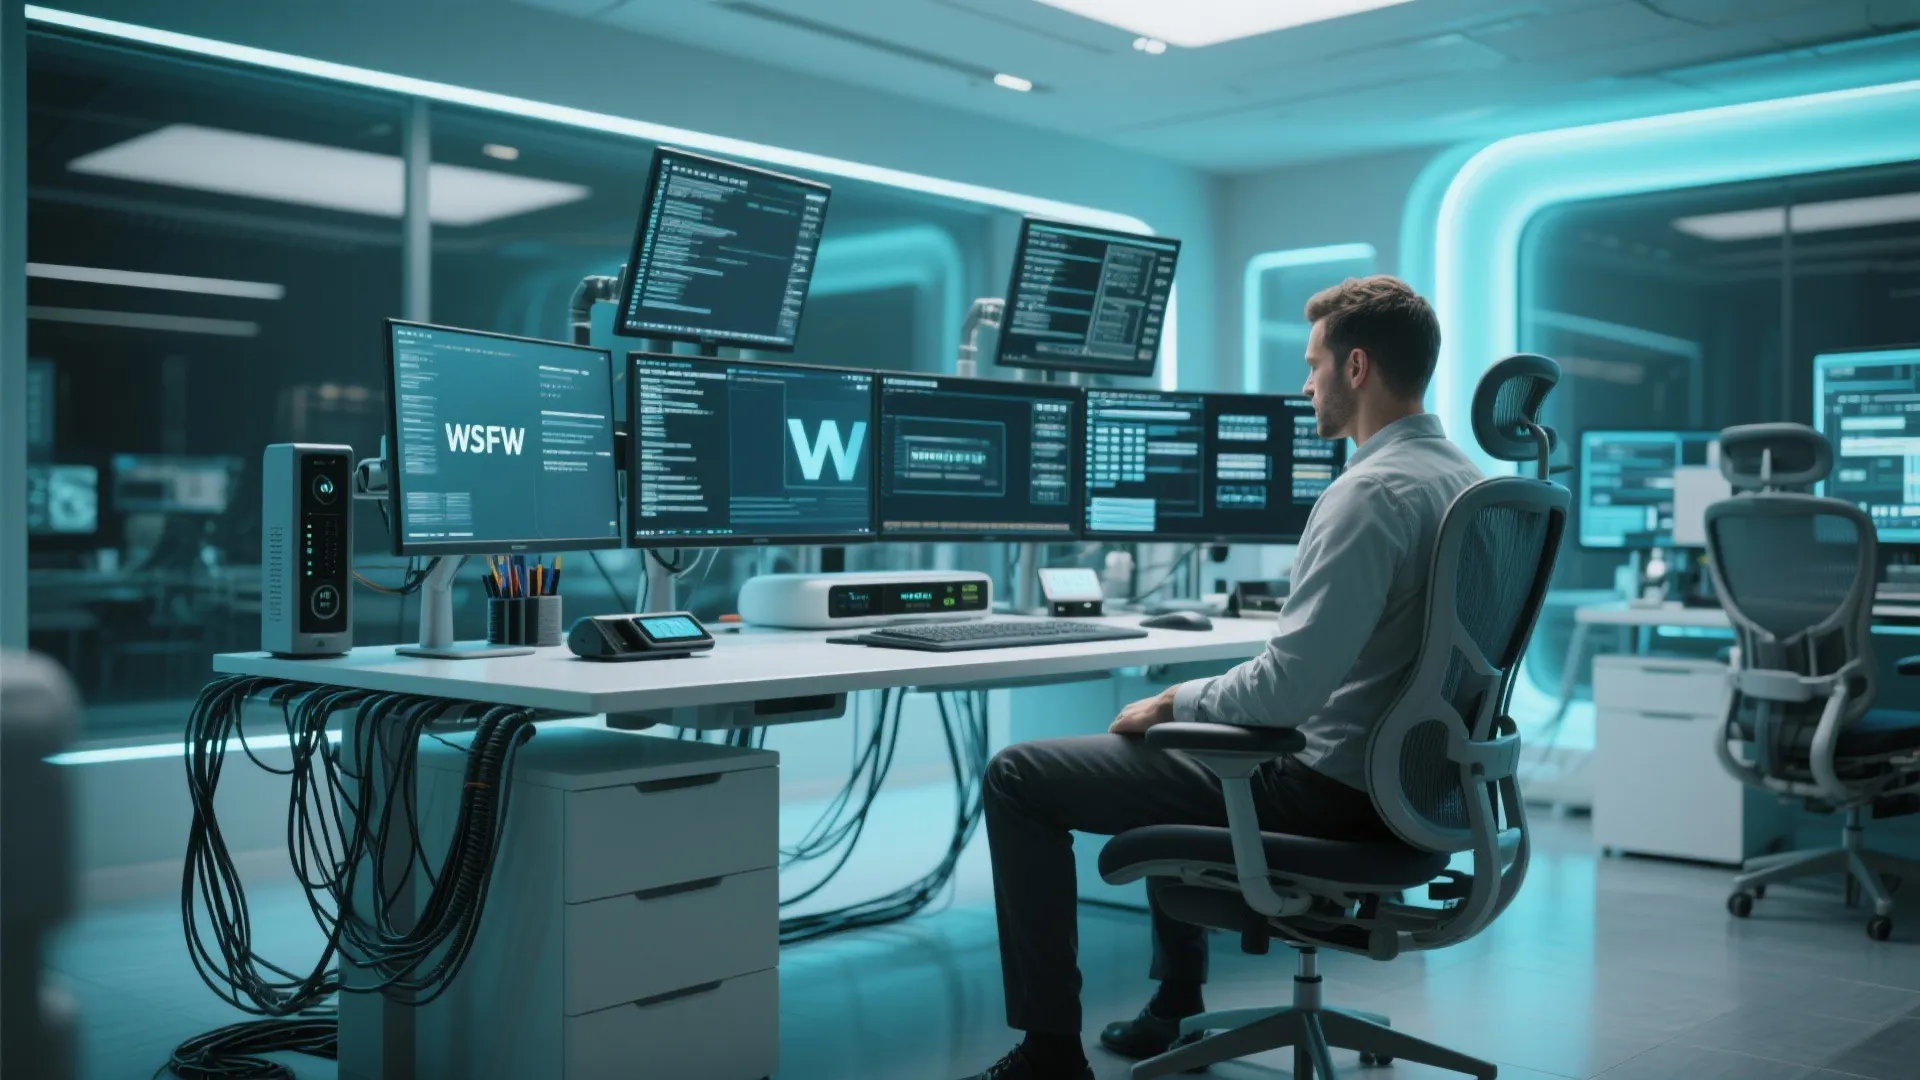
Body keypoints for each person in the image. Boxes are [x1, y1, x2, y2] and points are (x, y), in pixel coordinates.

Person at [955, 276, 1482, 1080]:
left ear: (1357, 368)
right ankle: (1175, 1005)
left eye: (1313, 365)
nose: (1303, 385)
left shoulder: (1370, 492)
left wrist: (1172, 698)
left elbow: (1284, 694)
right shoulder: (1470, 484)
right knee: (1186, 746)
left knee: (1021, 774)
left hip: (1333, 794)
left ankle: (1049, 1053)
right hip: (1419, 787)